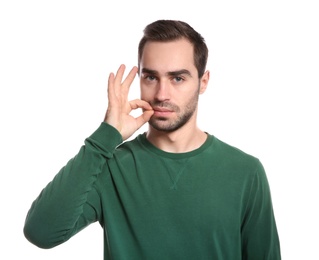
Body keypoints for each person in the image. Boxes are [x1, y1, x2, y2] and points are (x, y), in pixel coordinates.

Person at [23, 19, 281, 259]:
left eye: (177, 78)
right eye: (150, 77)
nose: (161, 94)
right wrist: (106, 136)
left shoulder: (245, 172)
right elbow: (41, 232)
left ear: (203, 82)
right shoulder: (111, 166)